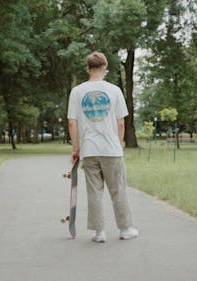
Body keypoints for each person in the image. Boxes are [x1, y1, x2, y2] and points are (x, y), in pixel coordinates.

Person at [67, 51, 138, 243]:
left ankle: (99, 232)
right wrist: (119, 144)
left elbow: (72, 123)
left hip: (89, 150)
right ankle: (125, 229)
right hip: (111, 150)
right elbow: (121, 123)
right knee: (118, 190)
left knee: (94, 192)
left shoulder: (77, 91)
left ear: (87, 68)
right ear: (104, 68)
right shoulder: (114, 91)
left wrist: (76, 149)